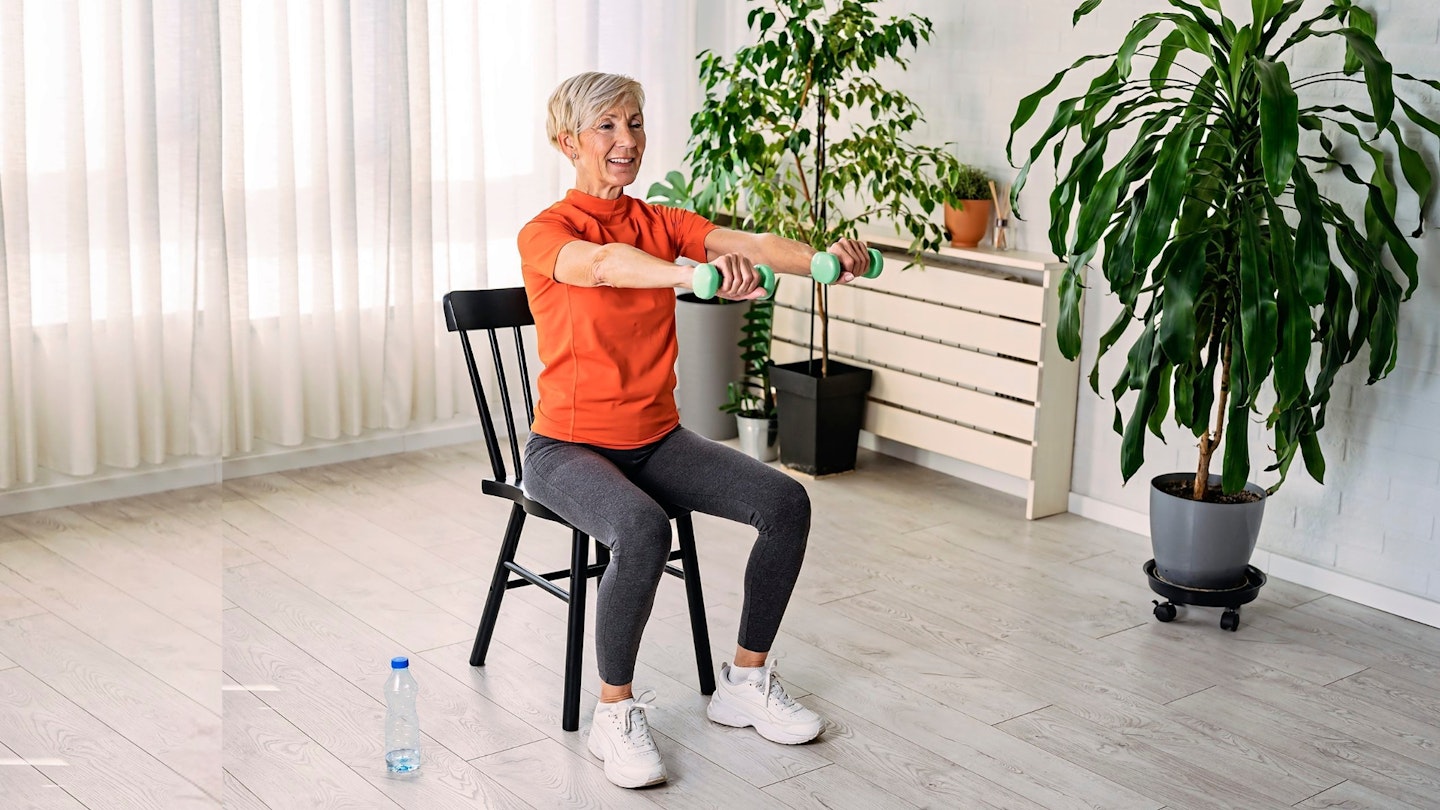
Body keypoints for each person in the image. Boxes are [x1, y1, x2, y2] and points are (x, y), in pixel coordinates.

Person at [517, 71, 871, 790]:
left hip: (655, 439)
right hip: (566, 447)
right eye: (608, 127)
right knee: (642, 529)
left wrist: (826, 262)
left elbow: (753, 243)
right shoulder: (548, 232)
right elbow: (608, 267)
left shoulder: (662, 219)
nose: (627, 141)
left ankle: (744, 681)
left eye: (637, 123)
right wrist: (689, 279)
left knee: (784, 503)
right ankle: (613, 714)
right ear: (568, 142)